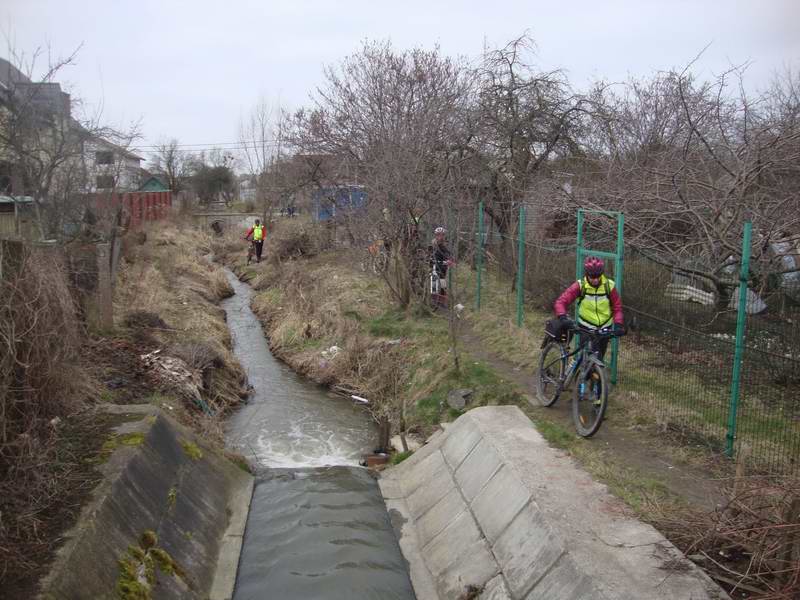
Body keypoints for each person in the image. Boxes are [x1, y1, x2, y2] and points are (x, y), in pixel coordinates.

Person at [553, 256, 625, 361]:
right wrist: (562, 317)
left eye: (598, 276)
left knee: (598, 360)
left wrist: (618, 324)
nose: (595, 279)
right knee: (585, 360)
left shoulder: (609, 286)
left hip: (604, 329)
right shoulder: (580, 286)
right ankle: (580, 373)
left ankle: (595, 375)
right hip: (585, 328)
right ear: (587, 274)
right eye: (592, 276)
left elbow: (617, 307)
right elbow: (561, 302)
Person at [430, 226, 454, 307]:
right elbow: (431, 258)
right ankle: (433, 302)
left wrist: (450, 260)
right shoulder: (433, 246)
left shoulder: (444, 246)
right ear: (436, 235)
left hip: (443, 269)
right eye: (439, 235)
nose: (441, 237)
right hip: (435, 268)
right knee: (434, 285)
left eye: (442, 235)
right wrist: (444, 262)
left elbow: (448, 254)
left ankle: (442, 302)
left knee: (443, 286)